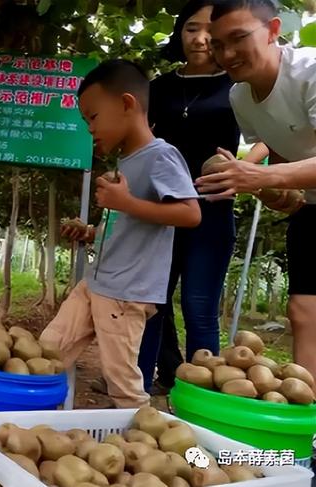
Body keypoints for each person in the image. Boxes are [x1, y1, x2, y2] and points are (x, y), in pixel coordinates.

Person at [40, 59, 201, 408]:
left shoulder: (161, 156)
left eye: (93, 117)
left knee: (122, 384)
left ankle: (149, 450)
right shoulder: (126, 162)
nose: (89, 129)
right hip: (97, 283)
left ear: (127, 104)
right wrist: (91, 232)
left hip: (126, 293)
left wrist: (125, 202)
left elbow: (190, 213)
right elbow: (129, 227)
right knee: (47, 350)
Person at [136, 0, 268, 395]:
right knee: (151, 305)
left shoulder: (239, 86)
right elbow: (139, 137)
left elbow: (269, 134)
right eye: (192, 28)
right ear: (180, 33)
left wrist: (243, 167)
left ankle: (202, 396)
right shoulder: (158, 88)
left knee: (199, 307)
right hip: (162, 210)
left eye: (212, 30)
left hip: (212, 209)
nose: (202, 38)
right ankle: (140, 390)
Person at [196, 0, 316, 391]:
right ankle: (310, 422)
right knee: (303, 311)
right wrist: (270, 190)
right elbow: (284, 155)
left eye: (238, 38)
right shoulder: (240, 96)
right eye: (217, 44)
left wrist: (255, 173)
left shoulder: (310, 72)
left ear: (273, 29)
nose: (226, 53)